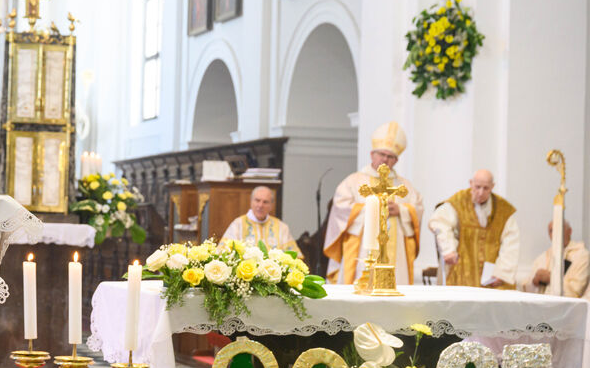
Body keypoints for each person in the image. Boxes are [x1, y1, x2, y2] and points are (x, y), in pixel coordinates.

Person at [323, 121, 424, 284]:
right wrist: (373, 209)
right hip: (362, 248)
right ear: (372, 155)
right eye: (382, 154)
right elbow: (341, 209)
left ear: (396, 161)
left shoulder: (405, 186)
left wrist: (401, 210)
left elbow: (417, 208)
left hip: (396, 250)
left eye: (390, 157)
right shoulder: (354, 181)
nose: (385, 159)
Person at [428, 169, 519, 289]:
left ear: (492, 187)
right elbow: (439, 222)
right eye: (477, 187)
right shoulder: (458, 202)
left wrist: (502, 273)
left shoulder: (504, 210)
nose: (481, 193)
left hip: (492, 277)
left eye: (486, 188)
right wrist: (448, 249)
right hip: (462, 270)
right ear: (471, 183)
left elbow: (511, 243)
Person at [221, 186, 301, 254]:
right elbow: (222, 252)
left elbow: (295, 257)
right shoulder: (237, 225)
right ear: (251, 201)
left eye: (265, 202)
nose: (260, 205)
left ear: (271, 205)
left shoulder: (282, 228)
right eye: (257, 200)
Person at [519, 220, 589, 298]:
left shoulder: (582, 256)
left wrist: (551, 278)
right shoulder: (544, 256)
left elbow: (576, 291)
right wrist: (534, 282)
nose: (555, 233)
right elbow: (526, 287)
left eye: (559, 229)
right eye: (551, 230)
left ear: (569, 231)